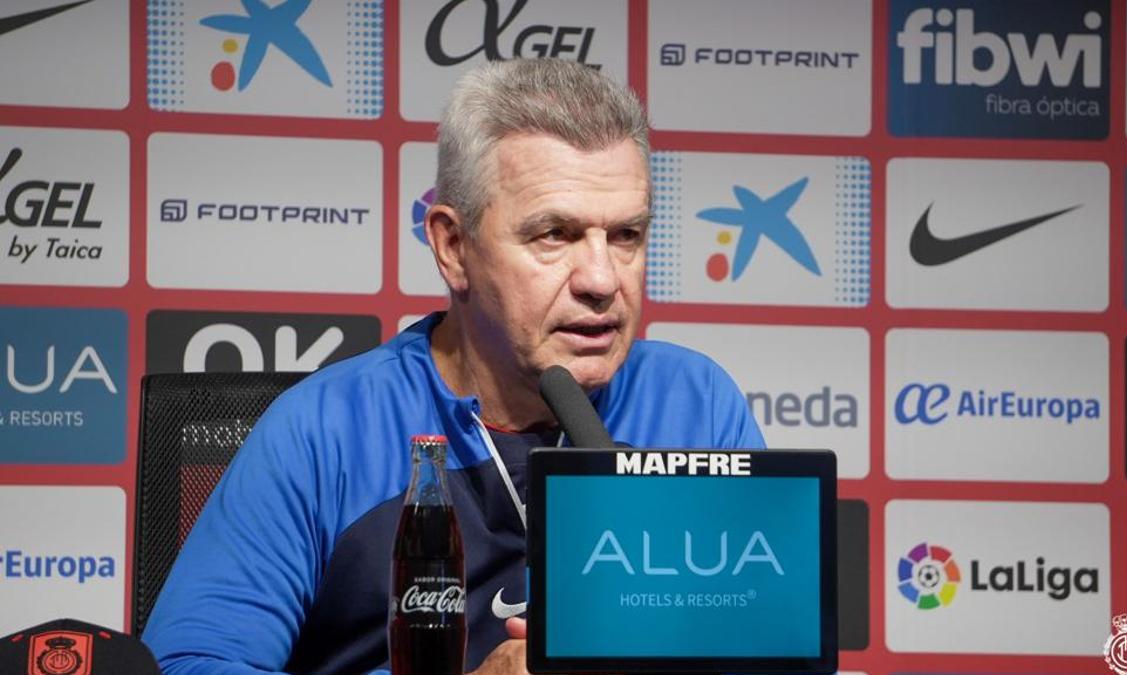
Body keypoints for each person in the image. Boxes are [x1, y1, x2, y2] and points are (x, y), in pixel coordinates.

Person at [143, 58, 765, 675]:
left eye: (626, 234)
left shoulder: (696, 404)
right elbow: (187, 665)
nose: (602, 279)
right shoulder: (325, 431)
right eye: (554, 234)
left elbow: (767, 650)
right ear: (452, 246)